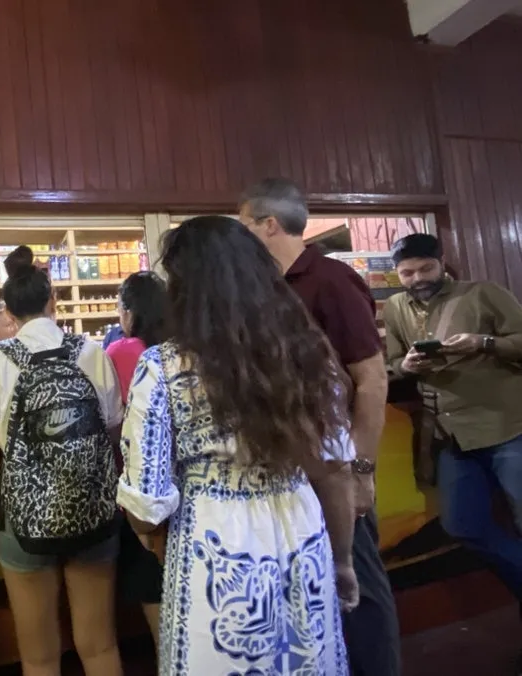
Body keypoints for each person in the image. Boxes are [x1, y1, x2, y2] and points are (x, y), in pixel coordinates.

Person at [119, 216, 359, 675]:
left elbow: (145, 506)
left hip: (215, 546)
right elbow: (336, 470)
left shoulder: (163, 367)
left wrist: (155, 542)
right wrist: (343, 560)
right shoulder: (307, 353)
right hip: (302, 531)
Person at [240, 178, 399, 676]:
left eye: (244, 225)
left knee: (360, 588)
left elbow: (371, 379)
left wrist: (361, 470)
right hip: (296, 468)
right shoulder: (266, 289)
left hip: (338, 467)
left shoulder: (330, 279)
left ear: (269, 225)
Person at [0, 246, 125, 676]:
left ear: (9, 312)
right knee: (100, 644)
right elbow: (113, 431)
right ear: (53, 300)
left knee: (39, 655)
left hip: (23, 518)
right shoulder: (91, 351)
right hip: (92, 510)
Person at [383, 234, 522, 602]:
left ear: (442, 264)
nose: (418, 279)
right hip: (451, 438)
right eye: (407, 273)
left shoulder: (483, 293)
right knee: (462, 526)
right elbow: (393, 362)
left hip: (507, 428)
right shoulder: (395, 307)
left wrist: (484, 343)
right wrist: (407, 366)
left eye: (426, 268)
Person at [105, 271, 167, 647]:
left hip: (139, 490)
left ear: (129, 312)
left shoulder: (120, 351)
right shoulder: (179, 349)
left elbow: (111, 423)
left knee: (152, 587)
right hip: (180, 489)